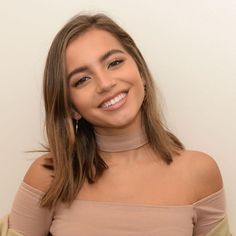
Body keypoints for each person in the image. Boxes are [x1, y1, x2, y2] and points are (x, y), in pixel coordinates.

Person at [1, 13, 231, 236]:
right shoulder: (50, 176)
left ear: (140, 71)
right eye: (82, 80)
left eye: (114, 63)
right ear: (71, 107)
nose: (105, 83)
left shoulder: (200, 173)